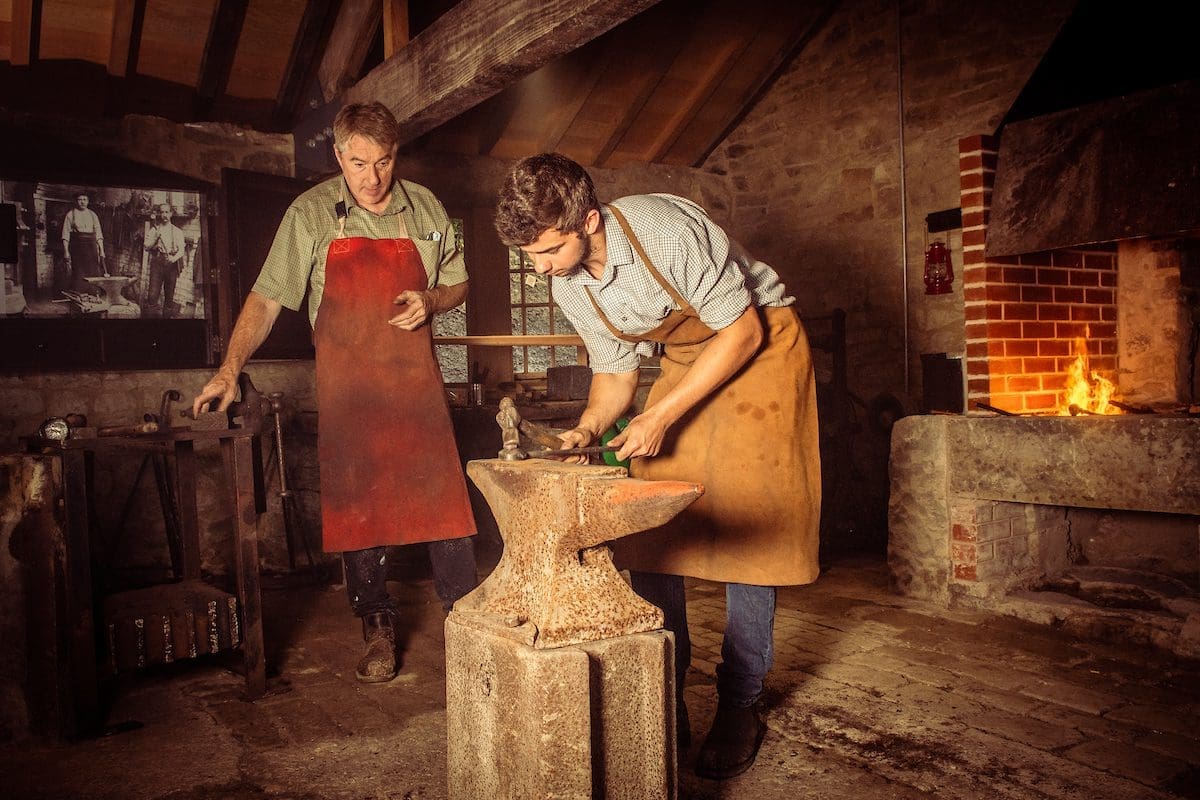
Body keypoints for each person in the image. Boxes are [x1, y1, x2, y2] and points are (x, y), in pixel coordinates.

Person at [494, 153, 821, 780]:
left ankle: (740, 704)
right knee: (652, 524)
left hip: (763, 347)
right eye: (530, 257)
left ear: (588, 219)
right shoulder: (570, 285)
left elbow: (743, 332)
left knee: (751, 527)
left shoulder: (663, 232)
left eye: (548, 251)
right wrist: (588, 429)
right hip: (690, 356)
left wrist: (661, 417)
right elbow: (615, 375)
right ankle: (664, 686)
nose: (539, 271)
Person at [191, 102, 478, 683]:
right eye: (358, 163)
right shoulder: (312, 214)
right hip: (350, 392)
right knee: (358, 505)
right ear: (338, 155)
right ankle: (376, 624)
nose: (373, 178)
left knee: (445, 505)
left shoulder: (426, 207)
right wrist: (228, 369)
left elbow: (459, 281)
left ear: (397, 153)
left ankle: (465, 621)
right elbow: (268, 298)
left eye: (385, 160)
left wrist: (434, 301)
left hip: (417, 387)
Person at [143, 203, 186, 317]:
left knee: (169, 297)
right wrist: (156, 237)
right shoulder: (154, 229)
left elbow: (181, 250)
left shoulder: (177, 231)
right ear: (159, 214)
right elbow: (146, 247)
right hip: (157, 262)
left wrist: (174, 258)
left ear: (171, 214)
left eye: (167, 212)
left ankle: (166, 324)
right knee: (152, 296)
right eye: (162, 212)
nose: (164, 215)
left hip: (171, 265)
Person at [62, 193, 106, 293]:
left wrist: (102, 251)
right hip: (77, 248)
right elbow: (65, 235)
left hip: (92, 248)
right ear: (76, 201)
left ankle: (94, 295)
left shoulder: (93, 214)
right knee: (79, 272)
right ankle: (79, 296)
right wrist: (66, 252)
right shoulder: (70, 214)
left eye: (85, 199)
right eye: (80, 199)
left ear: (88, 201)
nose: (82, 202)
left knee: (93, 272)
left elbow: (99, 234)